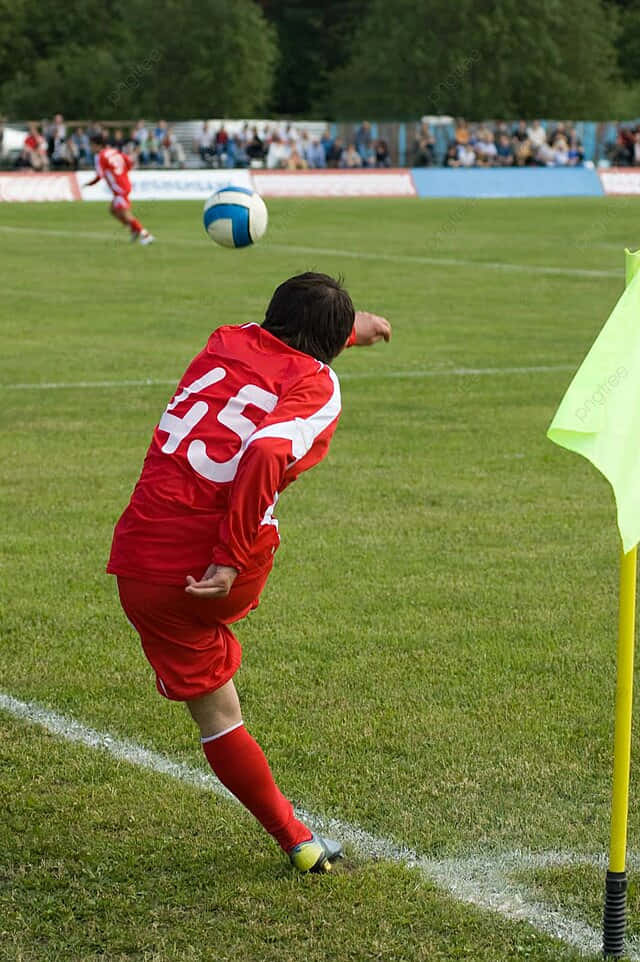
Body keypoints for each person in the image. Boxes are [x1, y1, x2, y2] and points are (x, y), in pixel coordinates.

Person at [106, 273, 391, 873]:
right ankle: (299, 841)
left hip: (139, 562)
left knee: (217, 716)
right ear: (334, 343)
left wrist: (349, 330)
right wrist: (231, 555)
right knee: (261, 503)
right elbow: (264, 451)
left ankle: (299, 840)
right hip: (214, 566)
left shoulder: (224, 338)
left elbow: (272, 338)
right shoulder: (320, 383)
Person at [84, 133, 154, 245]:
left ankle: (145, 235)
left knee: (125, 213)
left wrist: (90, 184)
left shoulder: (100, 156)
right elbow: (129, 163)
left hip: (119, 188)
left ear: (97, 145)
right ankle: (134, 230)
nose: (91, 148)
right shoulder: (114, 151)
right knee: (113, 210)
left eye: (91, 145)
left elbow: (99, 175)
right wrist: (122, 174)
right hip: (124, 184)